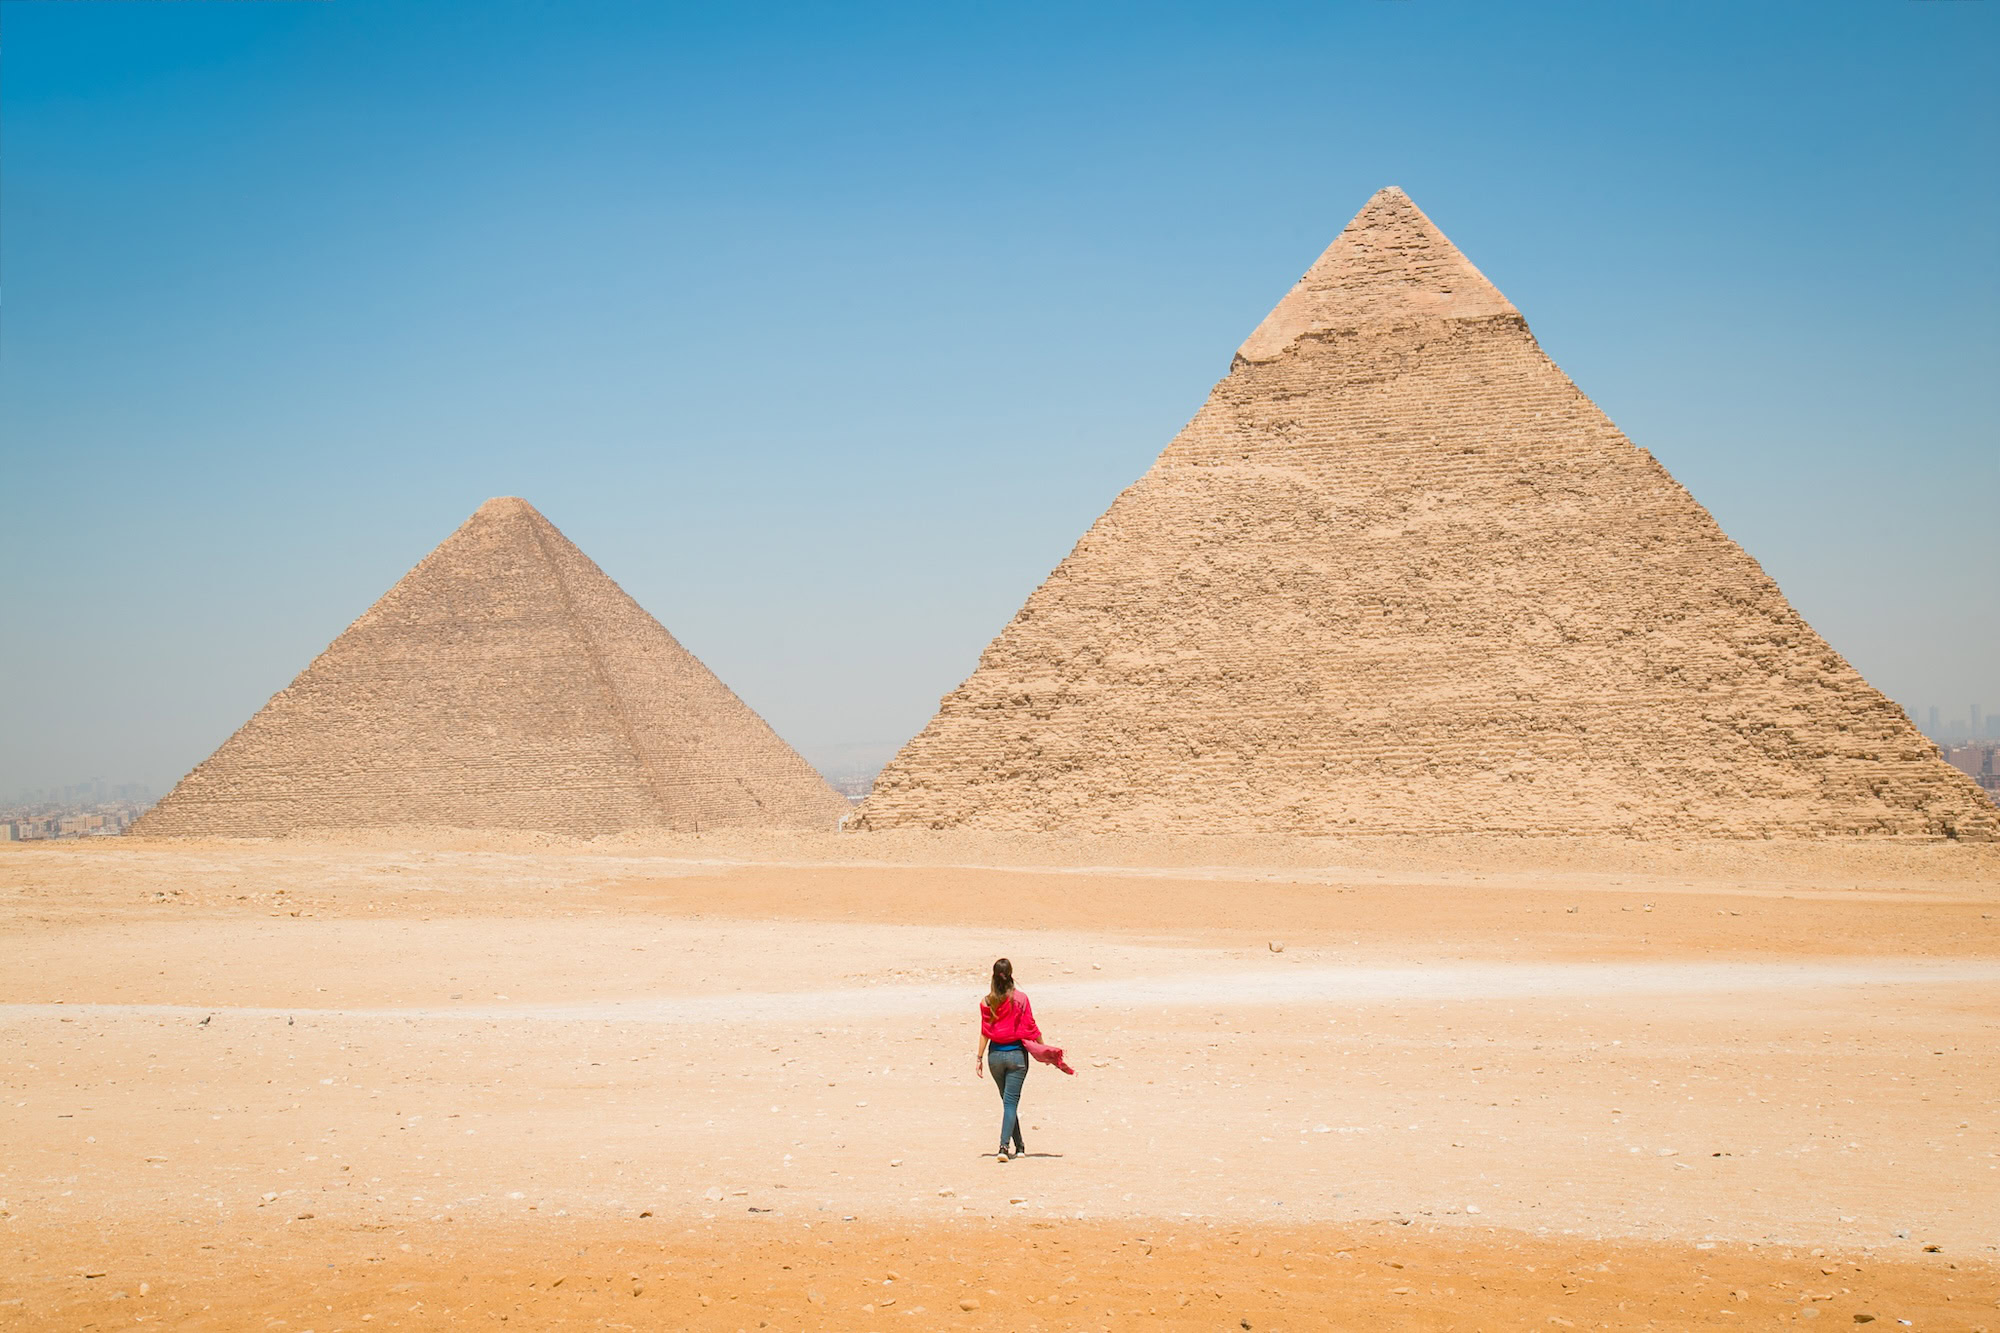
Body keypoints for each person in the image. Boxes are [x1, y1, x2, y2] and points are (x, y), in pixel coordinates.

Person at [975, 957, 1038, 1162]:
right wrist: (1042, 1048)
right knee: (1010, 1103)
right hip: (1017, 1056)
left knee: (1008, 1102)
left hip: (995, 1057)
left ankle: (1019, 1145)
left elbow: (984, 1031)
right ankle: (1004, 1147)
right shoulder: (1021, 999)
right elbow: (1031, 1026)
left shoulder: (986, 1001)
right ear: (1011, 974)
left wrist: (979, 1057)